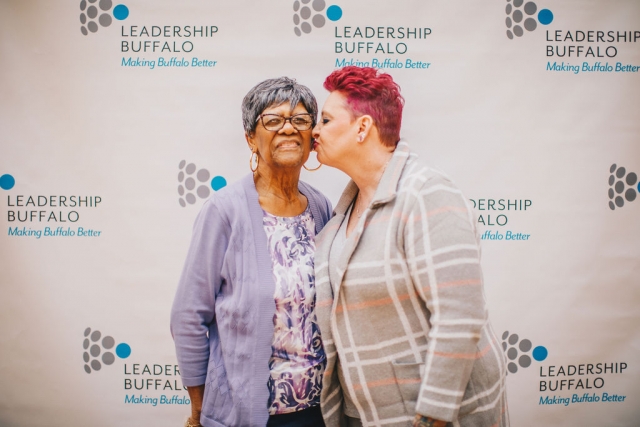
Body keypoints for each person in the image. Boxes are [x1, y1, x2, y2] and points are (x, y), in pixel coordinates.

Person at [311, 66, 508, 427]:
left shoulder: (426, 192)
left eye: (325, 120)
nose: (314, 130)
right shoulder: (341, 215)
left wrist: (432, 415)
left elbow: (460, 315)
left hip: (433, 416)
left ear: (362, 128)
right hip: (364, 416)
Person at [171, 77, 332, 427]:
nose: (288, 129)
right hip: (251, 416)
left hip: (320, 412)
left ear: (312, 136)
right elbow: (188, 316)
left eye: (300, 119)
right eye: (272, 120)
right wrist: (199, 411)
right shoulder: (224, 210)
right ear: (250, 138)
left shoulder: (320, 207)